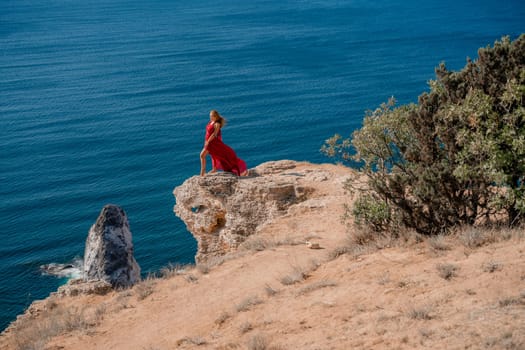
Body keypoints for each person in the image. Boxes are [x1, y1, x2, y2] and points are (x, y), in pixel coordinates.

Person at [200, 110, 248, 176]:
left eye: (212, 116)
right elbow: (208, 132)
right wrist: (206, 140)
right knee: (213, 155)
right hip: (208, 142)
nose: (210, 117)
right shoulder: (211, 122)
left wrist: (208, 141)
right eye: (210, 116)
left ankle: (202, 172)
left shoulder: (217, 124)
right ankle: (214, 169)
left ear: (215, 116)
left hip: (212, 143)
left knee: (202, 155)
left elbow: (214, 134)